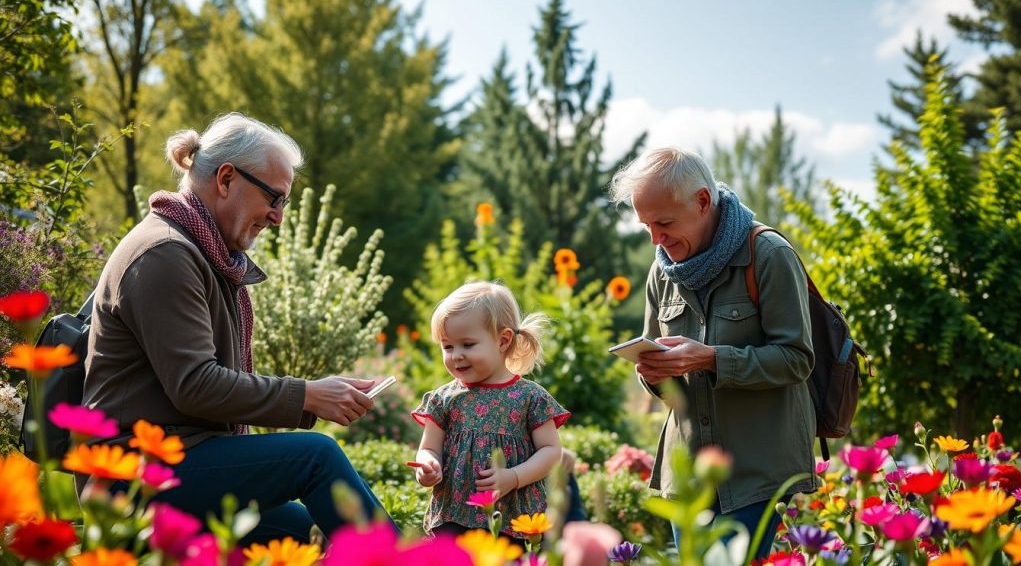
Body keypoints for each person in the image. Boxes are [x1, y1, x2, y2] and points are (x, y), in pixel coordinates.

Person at [81, 112, 394, 544]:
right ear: (226, 178)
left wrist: (311, 396)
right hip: (131, 480)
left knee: (308, 539)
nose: (278, 217)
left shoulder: (201, 251)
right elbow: (195, 385)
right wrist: (308, 394)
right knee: (316, 456)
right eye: (275, 198)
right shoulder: (165, 254)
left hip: (179, 461)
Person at [608, 147, 816, 560]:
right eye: (646, 225)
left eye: (664, 223)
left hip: (756, 470)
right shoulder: (661, 271)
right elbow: (667, 389)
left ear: (702, 201)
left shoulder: (769, 254)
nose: (655, 239)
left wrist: (709, 358)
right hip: (687, 475)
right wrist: (652, 371)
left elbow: (797, 358)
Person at [411, 281, 570, 539]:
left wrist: (514, 476)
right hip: (454, 511)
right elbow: (429, 447)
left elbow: (551, 451)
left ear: (503, 340)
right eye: (448, 346)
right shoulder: (444, 399)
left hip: (513, 516)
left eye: (468, 344)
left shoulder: (530, 397)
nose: (456, 355)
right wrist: (428, 466)